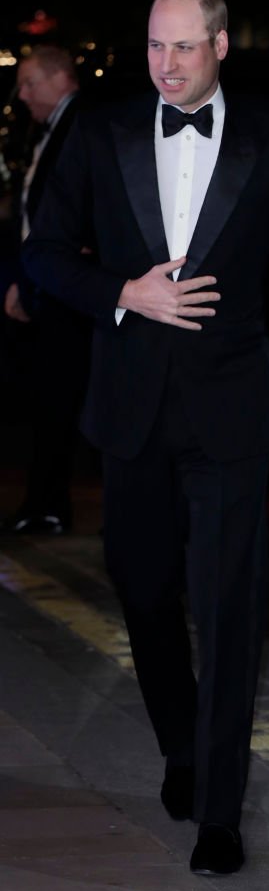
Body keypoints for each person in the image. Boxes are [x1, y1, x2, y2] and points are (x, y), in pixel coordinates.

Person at [23, 0, 269, 876]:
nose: (165, 66)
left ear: (222, 45)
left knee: (230, 606)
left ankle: (220, 813)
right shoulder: (104, 130)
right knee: (144, 589)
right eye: (155, 48)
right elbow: (44, 253)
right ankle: (181, 744)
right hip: (130, 411)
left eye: (184, 48)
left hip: (231, 412)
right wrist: (124, 291)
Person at [2, 45, 92, 534]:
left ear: (59, 78)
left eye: (29, 82)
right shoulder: (52, 127)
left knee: (61, 398)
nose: (22, 94)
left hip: (71, 287)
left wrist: (87, 249)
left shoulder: (84, 122)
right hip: (49, 280)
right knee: (49, 397)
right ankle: (44, 502)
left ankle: (49, 505)